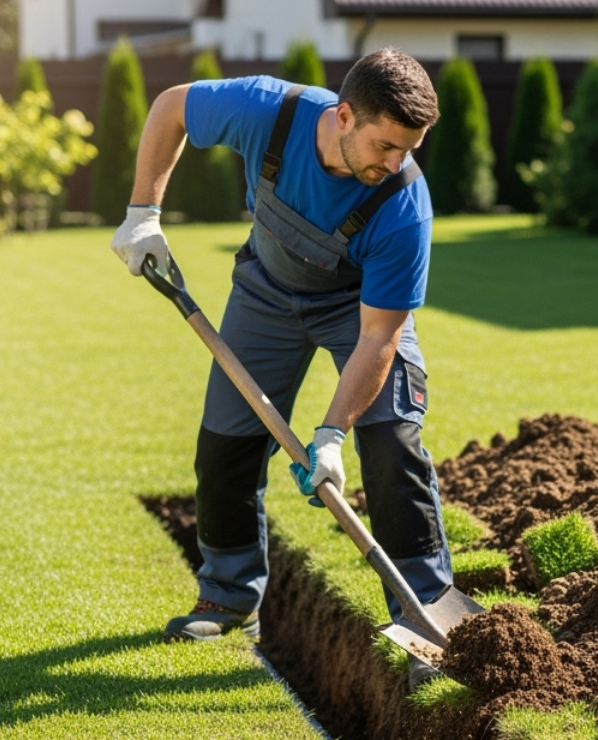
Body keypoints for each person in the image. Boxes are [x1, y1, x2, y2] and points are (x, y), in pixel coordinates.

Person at [110, 49, 453, 677]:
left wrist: (330, 435)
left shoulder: (404, 203)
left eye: (407, 150)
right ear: (344, 116)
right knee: (225, 446)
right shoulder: (268, 111)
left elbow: (379, 338)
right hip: (266, 292)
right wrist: (143, 213)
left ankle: (424, 614)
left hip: (358, 311)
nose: (394, 162)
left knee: (392, 442)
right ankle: (230, 594)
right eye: (384, 146)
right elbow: (171, 107)